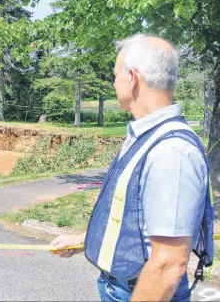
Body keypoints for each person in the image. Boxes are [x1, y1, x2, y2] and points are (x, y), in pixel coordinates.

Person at [50, 34, 214, 302]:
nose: (113, 82)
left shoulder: (170, 152)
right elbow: (133, 216)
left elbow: (168, 265)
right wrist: (84, 239)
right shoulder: (147, 137)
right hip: (123, 287)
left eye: (115, 75)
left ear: (132, 78)